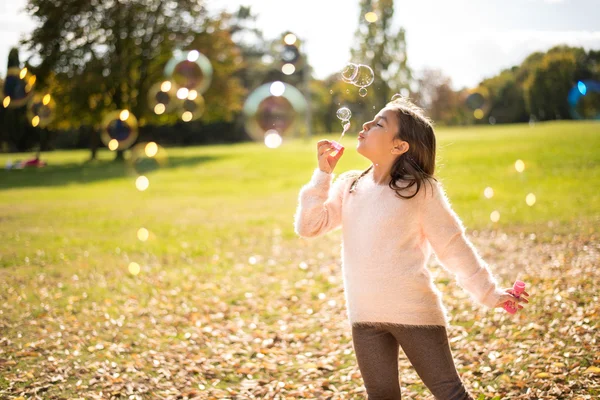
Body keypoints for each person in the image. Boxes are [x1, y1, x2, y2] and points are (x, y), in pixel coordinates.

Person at [293, 97, 530, 400]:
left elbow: (453, 246)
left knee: (450, 392)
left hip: (415, 313)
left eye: (379, 124)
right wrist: (323, 175)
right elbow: (308, 227)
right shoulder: (349, 186)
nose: (365, 126)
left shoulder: (420, 190)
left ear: (399, 146)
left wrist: (489, 292)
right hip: (364, 316)